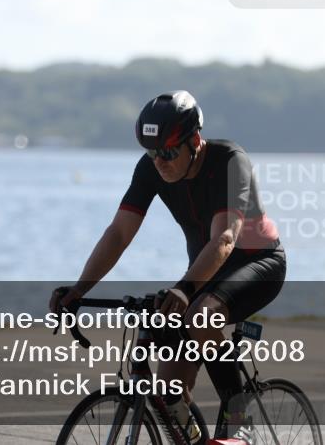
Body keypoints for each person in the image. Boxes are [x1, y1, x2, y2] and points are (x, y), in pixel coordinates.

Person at [51, 90, 285, 444]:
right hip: (204, 272)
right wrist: (80, 289)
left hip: (257, 263)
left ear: (195, 141)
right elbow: (119, 233)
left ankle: (239, 417)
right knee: (168, 393)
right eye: (152, 152)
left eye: (169, 152)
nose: (160, 161)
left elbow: (225, 239)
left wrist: (185, 288)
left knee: (201, 316)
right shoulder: (151, 169)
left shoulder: (230, 161)